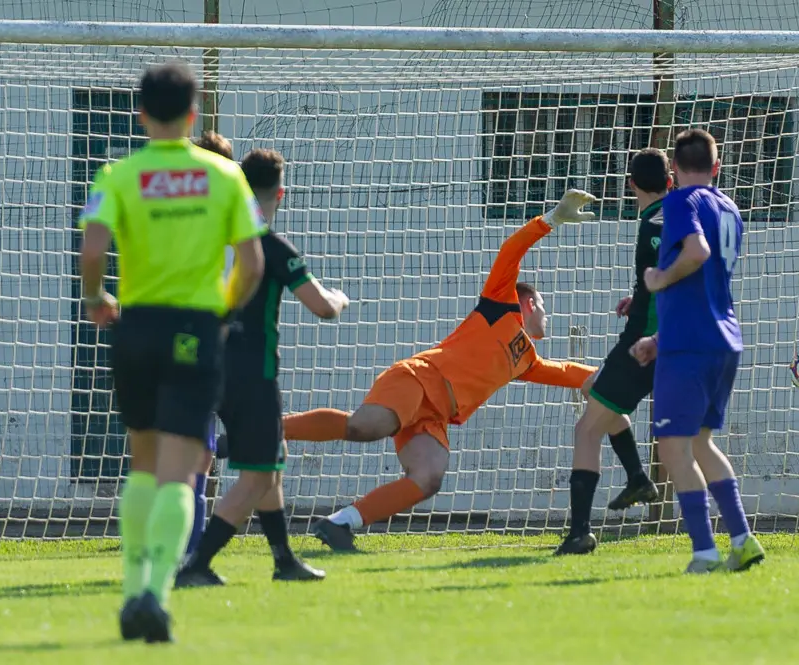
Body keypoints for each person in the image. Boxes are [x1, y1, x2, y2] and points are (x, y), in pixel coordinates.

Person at [284, 190, 599, 551]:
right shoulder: (501, 304)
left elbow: (569, 372)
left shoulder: (526, 359)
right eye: (543, 305)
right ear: (528, 303)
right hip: (418, 379)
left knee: (428, 478)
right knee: (366, 427)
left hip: (434, 415)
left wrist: (618, 376)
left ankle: (340, 524)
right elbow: (511, 249)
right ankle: (266, 430)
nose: (547, 314)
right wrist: (552, 220)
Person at [78, 63, 266, 642]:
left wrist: (95, 297)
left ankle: (133, 587)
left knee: (140, 465)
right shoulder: (224, 175)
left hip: (135, 328)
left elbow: (92, 246)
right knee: (180, 473)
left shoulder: (118, 173)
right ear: (193, 114)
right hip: (194, 327)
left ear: (140, 114)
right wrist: (226, 312)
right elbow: (252, 265)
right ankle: (155, 595)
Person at [177, 139, 349, 585]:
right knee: (255, 478)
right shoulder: (271, 247)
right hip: (253, 374)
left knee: (271, 464)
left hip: (208, 366)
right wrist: (340, 298)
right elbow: (322, 307)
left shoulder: (214, 240)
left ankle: (283, 560)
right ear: (281, 192)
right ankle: (196, 565)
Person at [629, 129, 765, 573]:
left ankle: (704, 553)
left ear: (672, 171)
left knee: (673, 448)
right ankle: (742, 539)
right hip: (721, 340)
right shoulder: (730, 208)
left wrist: (657, 279)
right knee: (701, 443)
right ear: (717, 166)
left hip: (690, 346)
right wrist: (658, 340)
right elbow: (705, 289)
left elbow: (696, 253)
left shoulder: (678, 201)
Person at [555, 149, 669, 556]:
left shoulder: (657, 220)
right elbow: (668, 276)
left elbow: (672, 274)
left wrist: (648, 320)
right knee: (593, 390)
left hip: (644, 345)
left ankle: (580, 533)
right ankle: (638, 476)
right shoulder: (669, 214)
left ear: (631, 184)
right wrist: (637, 298)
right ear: (669, 181)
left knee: (586, 429)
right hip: (657, 336)